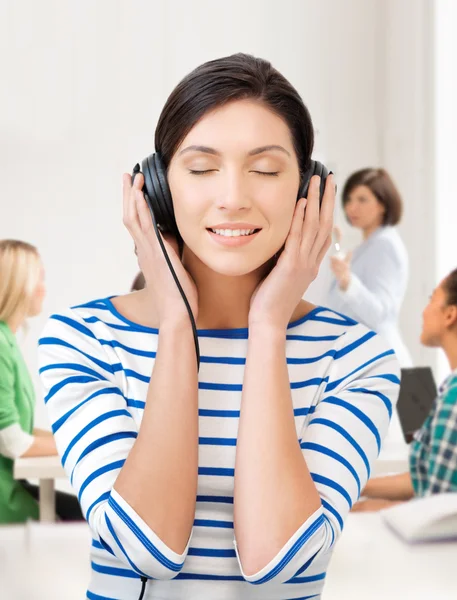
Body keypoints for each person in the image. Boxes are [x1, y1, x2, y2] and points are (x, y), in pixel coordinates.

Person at [38, 54, 400, 600]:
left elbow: (280, 561)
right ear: (157, 189)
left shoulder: (358, 358)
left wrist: (269, 325)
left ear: (309, 192)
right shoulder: (80, 340)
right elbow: (145, 547)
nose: (233, 197)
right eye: (203, 168)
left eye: (266, 169)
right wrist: (178, 328)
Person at [353, 268, 457, 512]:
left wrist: (368, 509)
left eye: (432, 299)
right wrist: (356, 487)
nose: (424, 310)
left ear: (450, 314)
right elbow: (422, 479)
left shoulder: (453, 400)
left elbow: (440, 511)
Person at [0, 239, 82, 523]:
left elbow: (16, 428)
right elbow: (13, 442)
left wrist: (73, 435)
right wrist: (81, 444)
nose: (44, 288)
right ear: (19, 284)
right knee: (90, 523)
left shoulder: (7, 341)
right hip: (5, 500)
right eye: (40, 278)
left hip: (12, 487)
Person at [327, 168, 412, 367]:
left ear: (382, 203)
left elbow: (378, 313)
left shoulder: (384, 245)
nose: (352, 207)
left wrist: (347, 282)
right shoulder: (368, 245)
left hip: (381, 360)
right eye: (348, 199)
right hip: (367, 358)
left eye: (362, 199)